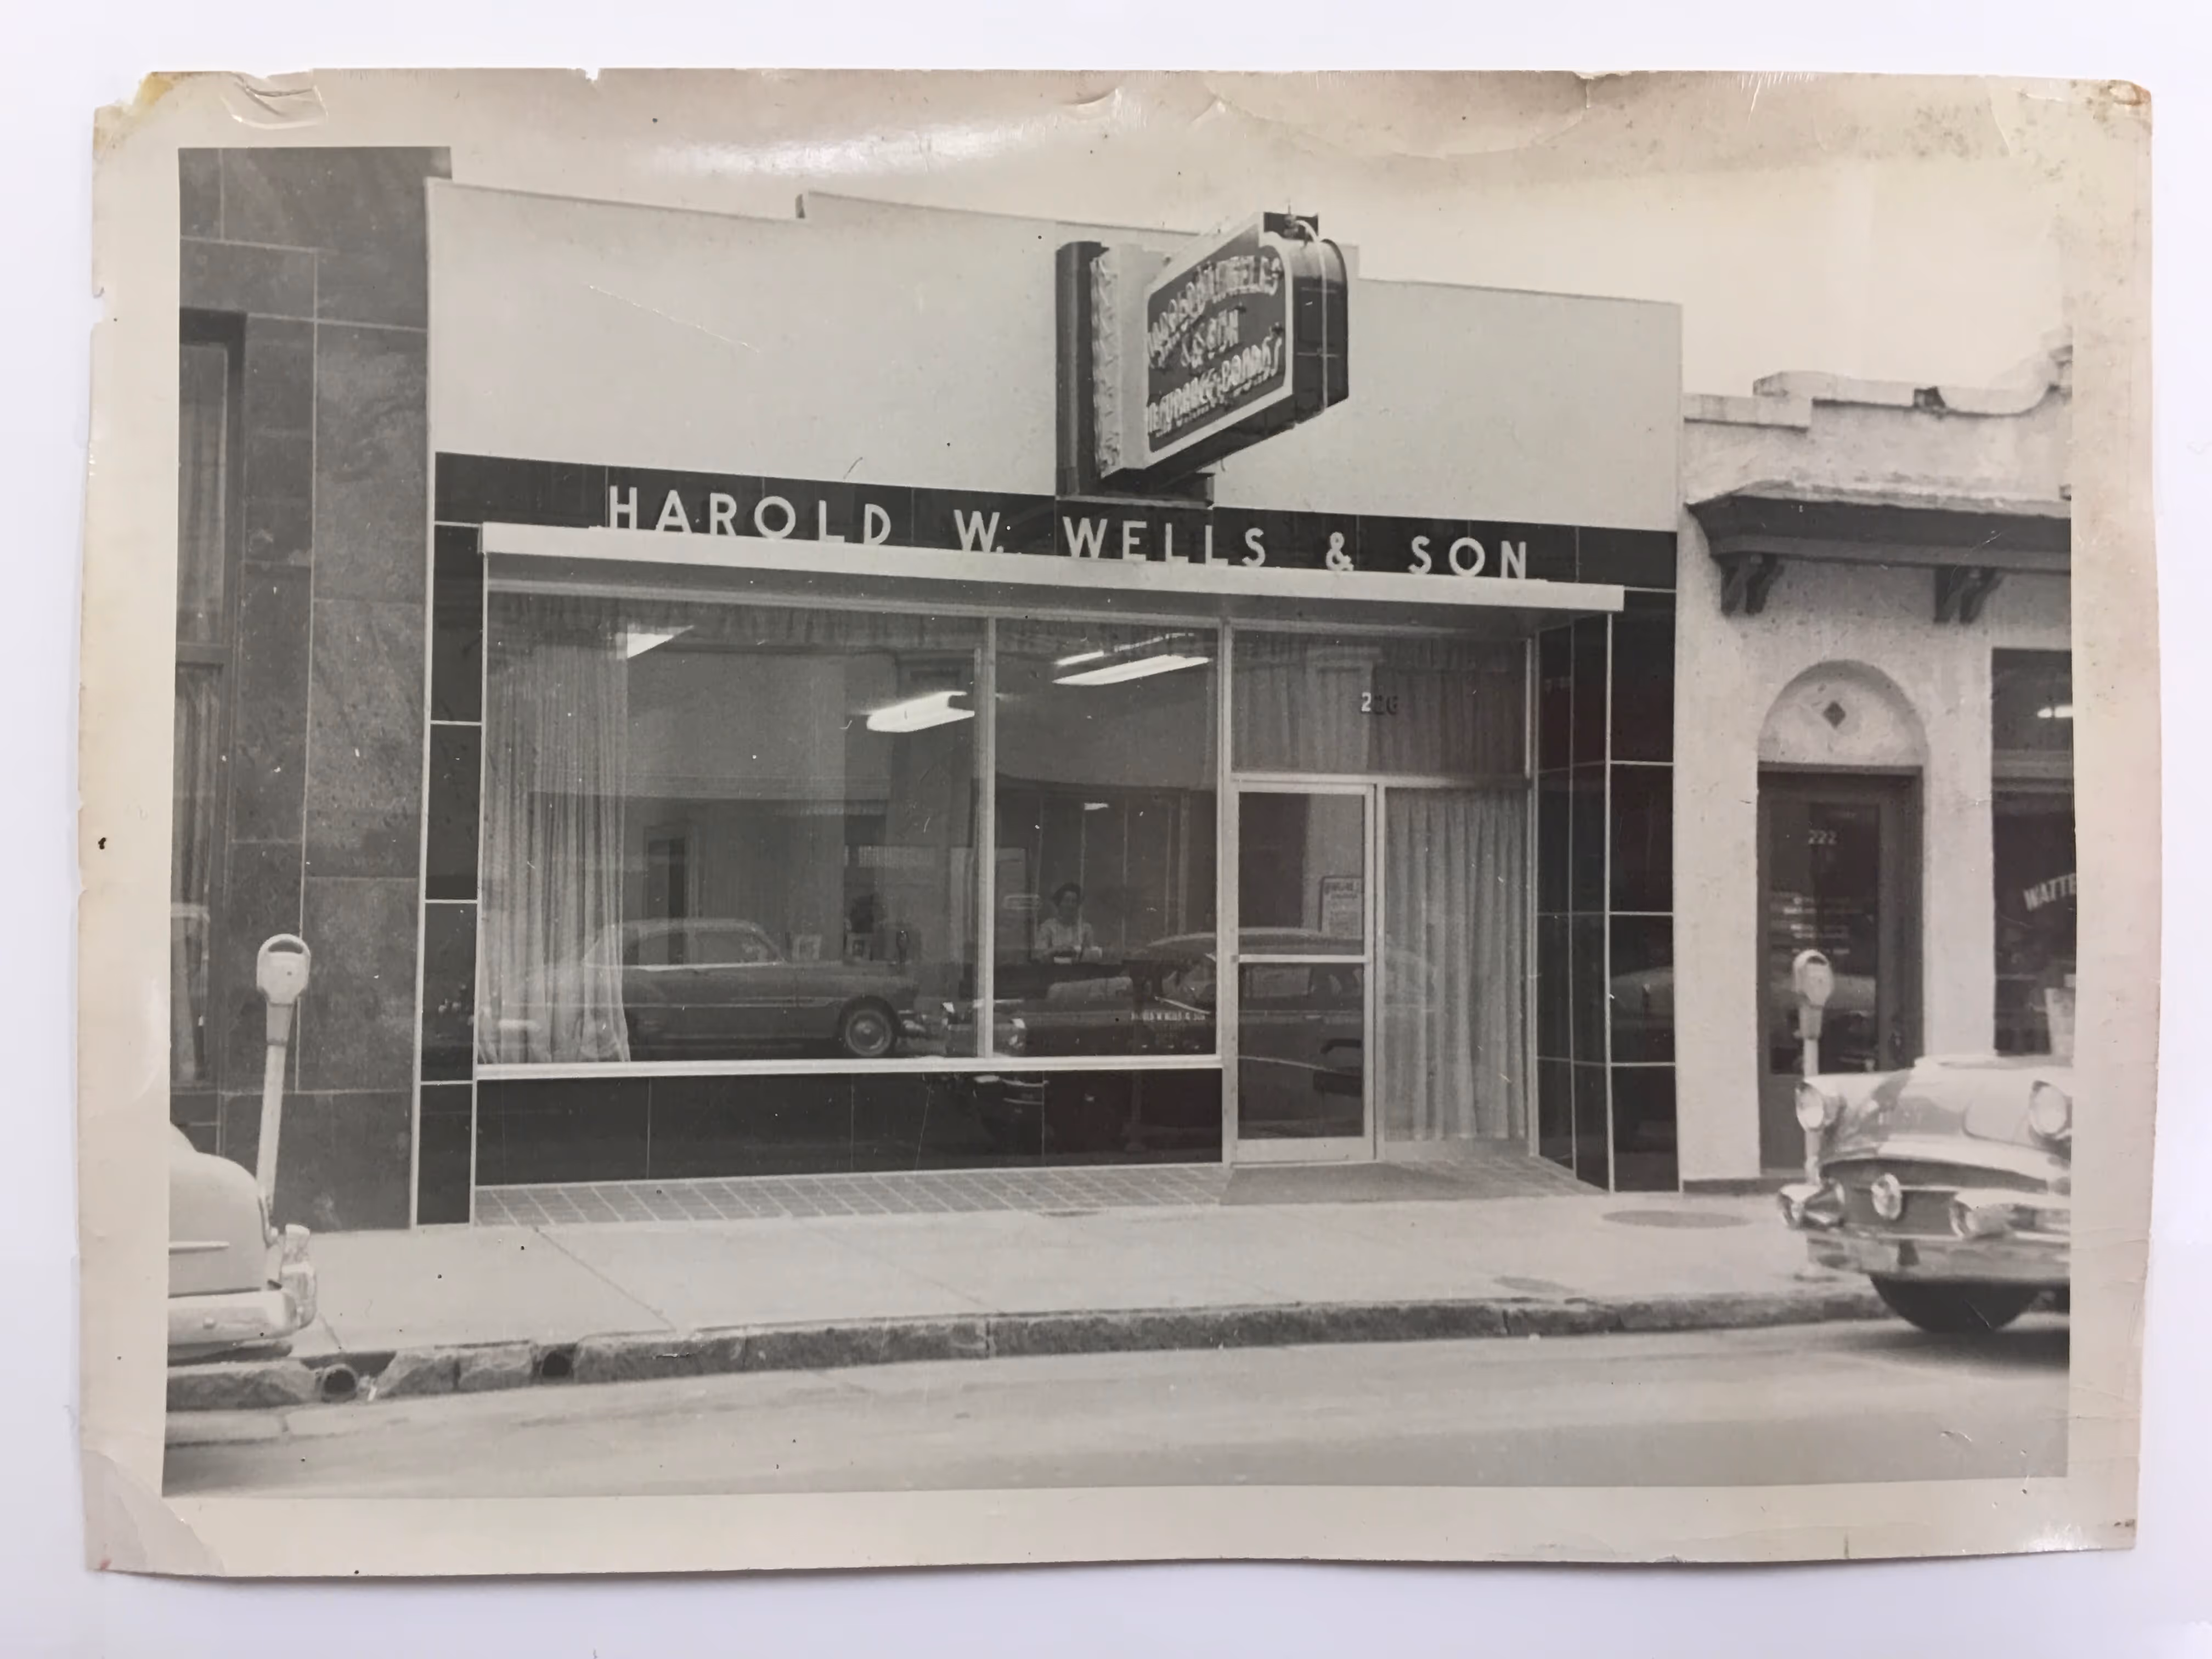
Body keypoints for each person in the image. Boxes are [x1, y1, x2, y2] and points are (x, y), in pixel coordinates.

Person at [1034, 882, 1103, 963]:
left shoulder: (1085, 928)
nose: (1070, 905)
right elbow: (1040, 956)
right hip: (1052, 973)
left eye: (1074, 901)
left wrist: (1075, 952)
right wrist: (1057, 950)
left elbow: (1093, 956)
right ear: (1059, 904)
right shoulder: (1047, 927)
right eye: (1066, 901)